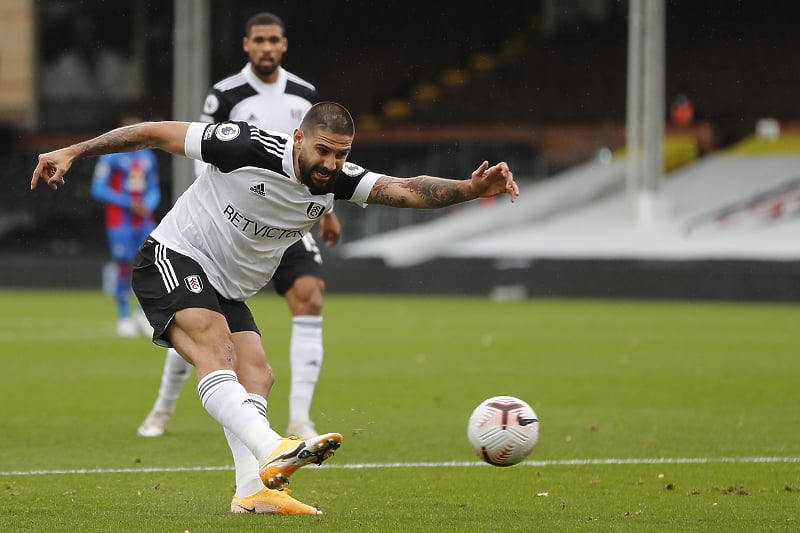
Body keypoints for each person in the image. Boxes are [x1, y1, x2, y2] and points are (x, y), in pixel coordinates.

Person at [30, 101, 519, 515]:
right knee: (216, 352)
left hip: (228, 286)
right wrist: (74, 150)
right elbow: (154, 133)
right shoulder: (244, 145)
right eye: (322, 150)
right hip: (174, 255)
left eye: (341, 154)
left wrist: (472, 190)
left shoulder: (336, 180)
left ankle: (252, 492)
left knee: (258, 375)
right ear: (299, 137)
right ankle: (273, 448)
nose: (330, 162)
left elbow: (408, 189)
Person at [137, 12, 339, 440]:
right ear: (246, 45)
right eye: (259, 40)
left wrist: (328, 212)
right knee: (204, 320)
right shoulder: (226, 94)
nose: (267, 47)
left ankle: (300, 418)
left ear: (285, 45)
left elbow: (323, 166)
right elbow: (204, 148)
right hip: (230, 221)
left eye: (274, 40)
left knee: (310, 296)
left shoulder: (305, 95)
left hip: (287, 223)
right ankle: (163, 405)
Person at [91, 111, 161, 337]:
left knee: (152, 264)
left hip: (144, 219)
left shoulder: (148, 157)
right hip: (120, 220)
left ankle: (142, 314)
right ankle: (123, 317)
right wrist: (129, 202)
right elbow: (98, 189)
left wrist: (148, 204)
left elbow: (154, 188)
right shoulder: (110, 156)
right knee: (123, 267)